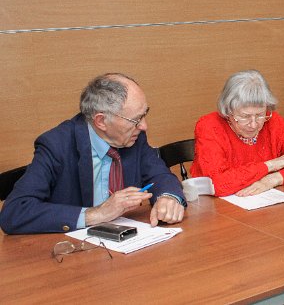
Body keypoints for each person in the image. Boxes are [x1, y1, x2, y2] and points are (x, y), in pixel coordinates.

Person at [0, 73, 186, 235]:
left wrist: (168, 197)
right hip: (73, 253)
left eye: (145, 114)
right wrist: (97, 213)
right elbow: (14, 212)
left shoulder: (134, 137)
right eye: (136, 119)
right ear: (101, 121)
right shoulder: (57, 145)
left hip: (128, 244)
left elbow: (160, 175)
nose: (144, 126)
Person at [191, 70, 284, 197]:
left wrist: (274, 178)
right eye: (245, 116)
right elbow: (216, 184)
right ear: (228, 111)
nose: (254, 124)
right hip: (214, 208)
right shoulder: (209, 126)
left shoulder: (273, 121)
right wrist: (270, 165)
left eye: (260, 115)